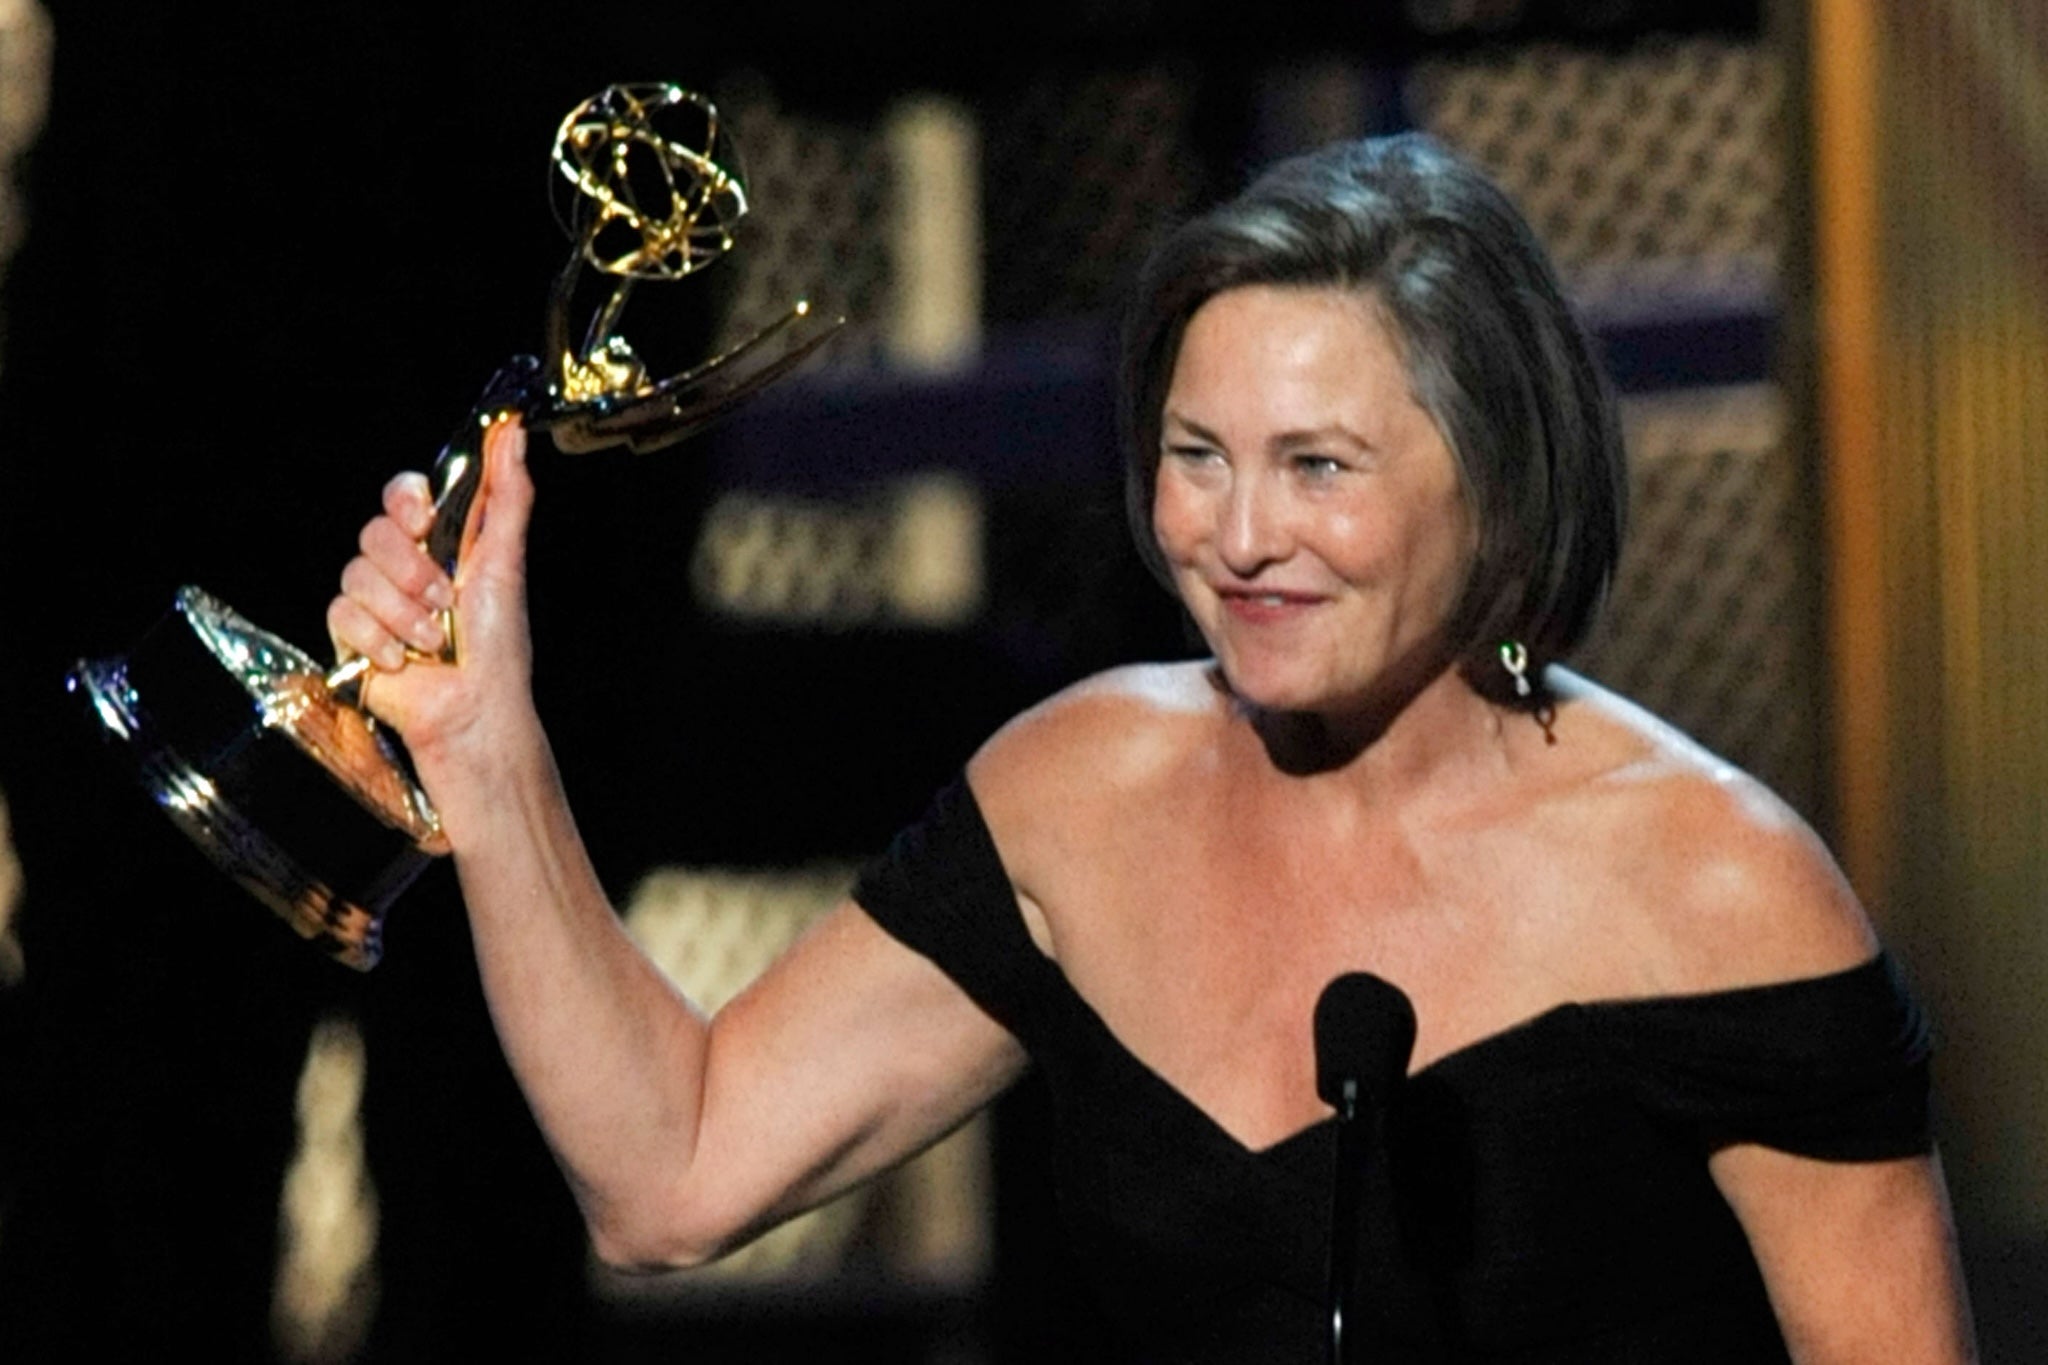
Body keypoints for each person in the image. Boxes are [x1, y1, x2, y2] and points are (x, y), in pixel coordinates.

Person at [329, 134, 1975, 1361]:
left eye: (1319, 465)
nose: (1241, 534)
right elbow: (669, 1169)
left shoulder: (1722, 885)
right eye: (1198, 454)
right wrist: (489, 754)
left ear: (1498, 483)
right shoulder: (1076, 794)